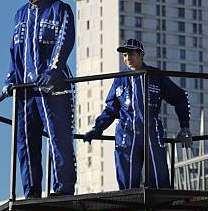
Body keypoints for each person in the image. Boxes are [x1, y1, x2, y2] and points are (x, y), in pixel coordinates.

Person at [1, 0, 77, 198]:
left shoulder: (60, 9)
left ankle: (63, 189)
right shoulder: (20, 14)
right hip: (26, 92)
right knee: (25, 142)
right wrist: (11, 78)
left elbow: (64, 42)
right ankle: (31, 191)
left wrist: (52, 72)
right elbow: (15, 50)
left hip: (54, 88)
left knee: (59, 137)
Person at [82, 39, 192, 189]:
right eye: (125, 55)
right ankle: (129, 206)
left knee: (159, 181)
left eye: (132, 54)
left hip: (152, 133)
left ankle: (161, 207)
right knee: (127, 183)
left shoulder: (155, 76)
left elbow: (180, 97)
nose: (128, 59)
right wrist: (98, 128)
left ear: (141, 55)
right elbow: (110, 109)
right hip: (127, 136)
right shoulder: (120, 80)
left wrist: (185, 127)